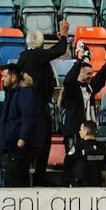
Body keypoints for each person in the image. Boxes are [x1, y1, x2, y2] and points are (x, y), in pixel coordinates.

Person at [17, 20, 71, 187]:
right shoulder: (38, 56)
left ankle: (29, 176)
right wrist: (63, 34)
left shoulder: (24, 57)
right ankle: (39, 176)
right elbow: (60, 50)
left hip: (27, 103)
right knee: (42, 141)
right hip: (38, 105)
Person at [59, 48, 106, 184]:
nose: (91, 76)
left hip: (89, 132)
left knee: (90, 163)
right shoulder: (72, 88)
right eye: (88, 74)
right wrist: (79, 61)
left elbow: (100, 80)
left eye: (91, 73)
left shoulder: (90, 88)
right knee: (74, 162)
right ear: (80, 74)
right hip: (75, 132)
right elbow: (69, 79)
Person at [0, 64, 42, 188]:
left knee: (16, 178)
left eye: (4, 76)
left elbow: (28, 116)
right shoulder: (12, 93)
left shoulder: (25, 92)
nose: (2, 79)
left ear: (13, 77)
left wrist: (22, 138)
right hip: (12, 142)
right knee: (14, 177)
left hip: (21, 144)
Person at [67, 121, 106, 187]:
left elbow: (67, 163)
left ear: (86, 132)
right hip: (97, 184)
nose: (79, 132)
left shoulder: (79, 147)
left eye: (81, 130)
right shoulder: (102, 147)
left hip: (80, 185)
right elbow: (104, 163)